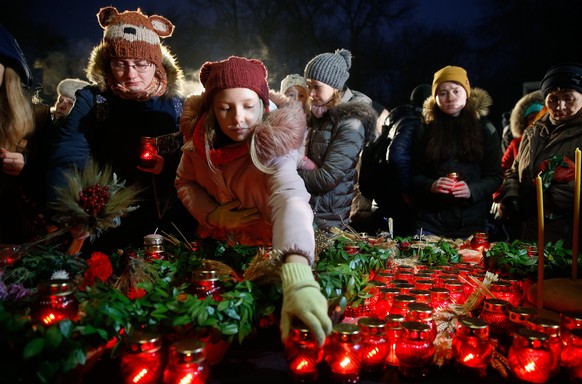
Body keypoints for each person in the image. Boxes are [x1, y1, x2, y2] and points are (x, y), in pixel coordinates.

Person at [174, 56, 332, 346]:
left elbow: (289, 198)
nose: (238, 119)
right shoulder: (196, 147)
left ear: (262, 104)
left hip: (266, 254)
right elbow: (185, 182)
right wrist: (213, 214)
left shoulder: (273, 148)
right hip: (217, 254)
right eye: (225, 108)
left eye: (248, 106)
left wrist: (297, 272)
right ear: (211, 110)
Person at [46, 7, 192, 254]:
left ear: (155, 63)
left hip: (171, 228)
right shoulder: (94, 101)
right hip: (108, 228)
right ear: (108, 63)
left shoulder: (177, 105)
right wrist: (73, 211)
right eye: (120, 64)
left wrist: (167, 166)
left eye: (140, 64)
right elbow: (70, 153)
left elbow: (197, 161)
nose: (131, 74)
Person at [410, 65, 503, 239]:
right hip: (430, 221)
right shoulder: (425, 129)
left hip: (472, 222)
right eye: (443, 93)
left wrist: (472, 190)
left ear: (466, 92)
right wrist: (431, 185)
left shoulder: (485, 129)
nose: (450, 98)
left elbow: (495, 176)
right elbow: (414, 175)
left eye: (455, 91)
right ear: (435, 97)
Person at [500, 62, 582, 248]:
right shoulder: (532, 132)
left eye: (569, 98)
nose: (560, 106)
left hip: (567, 240)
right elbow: (513, 170)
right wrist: (512, 195)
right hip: (527, 231)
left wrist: (544, 193)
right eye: (553, 99)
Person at [298, 48, 378, 231]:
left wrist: (287, 174)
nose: (310, 93)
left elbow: (328, 177)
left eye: (316, 86)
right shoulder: (318, 114)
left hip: (326, 217)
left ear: (335, 86)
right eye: (308, 86)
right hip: (307, 209)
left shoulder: (351, 122)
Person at [359, 84, 432, 236]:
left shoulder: (396, 120)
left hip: (383, 196)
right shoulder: (412, 122)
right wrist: (406, 191)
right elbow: (397, 155)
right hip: (397, 199)